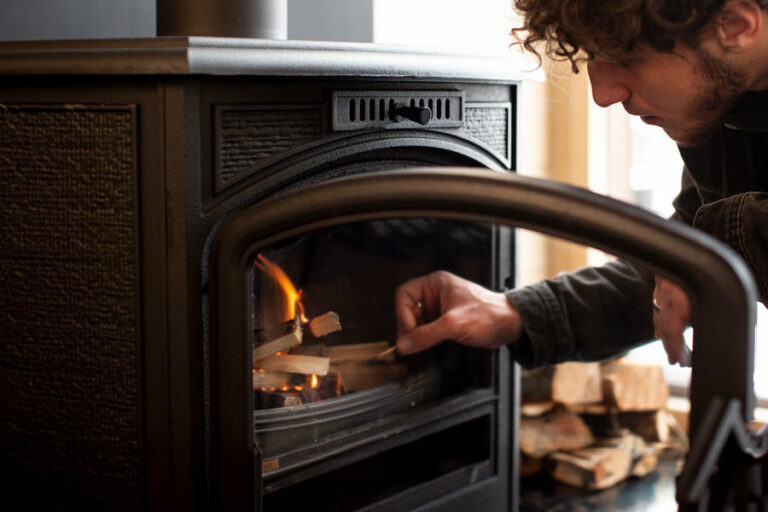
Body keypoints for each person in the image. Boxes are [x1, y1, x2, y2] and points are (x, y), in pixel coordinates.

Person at [395, 0, 768, 368]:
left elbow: (700, 255)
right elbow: (673, 267)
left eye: (625, 57)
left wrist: (713, 252)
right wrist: (515, 313)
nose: (602, 94)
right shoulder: (726, 106)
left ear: (735, 25)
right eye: (592, 54)